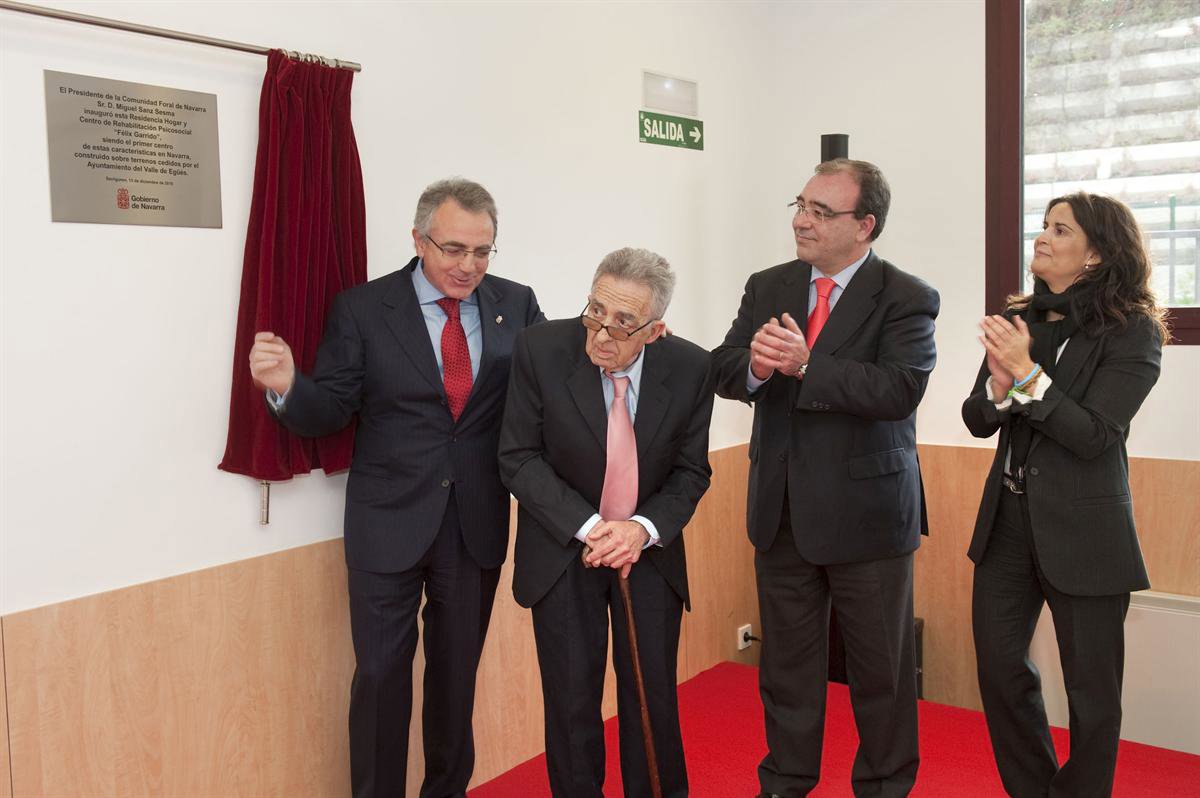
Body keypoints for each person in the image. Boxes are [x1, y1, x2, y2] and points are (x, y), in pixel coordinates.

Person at [248, 178, 544, 798]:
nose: (468, 266)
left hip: (474, 521)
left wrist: (623, 350)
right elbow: (331, 408)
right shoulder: (363, 308)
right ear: (418, 240)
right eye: (453, 249)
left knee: (456, 678)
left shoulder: (516, 304)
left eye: (482, 251)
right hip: (386, 523)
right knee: (381, 677)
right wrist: (288, 387)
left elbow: (547, 388)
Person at [712, 158, 939, 797]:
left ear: (865, 225)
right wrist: (757, 368)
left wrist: (808, 366)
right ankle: (785, 783)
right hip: (781, 510)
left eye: (820, 212)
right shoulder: (769, 285)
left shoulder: (906, 295)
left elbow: (899, 389)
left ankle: (884, 786)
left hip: (869, 518)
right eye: (800, 206)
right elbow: (725, 367)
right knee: (786, 670)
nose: (801, 221)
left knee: (880, 675)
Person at [963, 192, 1167, 797]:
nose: (1042, 238)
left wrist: (1027, 377)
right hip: (1006, 521)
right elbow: (978, 418)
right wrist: (1000, 387)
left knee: (1092, 694)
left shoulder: (1133, 331)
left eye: (1060, 230)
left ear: (1096, 254)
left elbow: (1095, 435)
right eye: (1044, 226)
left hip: (1086, 531)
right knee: (1000, 669)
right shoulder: (1019, 320)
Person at [498, 248, 714, 798]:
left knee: (651, 697)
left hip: (648, 551)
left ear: (655, 330)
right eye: (595, 310)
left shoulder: (691, 368)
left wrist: (640, 529)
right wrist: (592, 527)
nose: (600, 334)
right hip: (565, 547)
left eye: (622, 323)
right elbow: (518, 456)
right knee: (571, 700)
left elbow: (691, 471)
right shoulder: (540, 350)